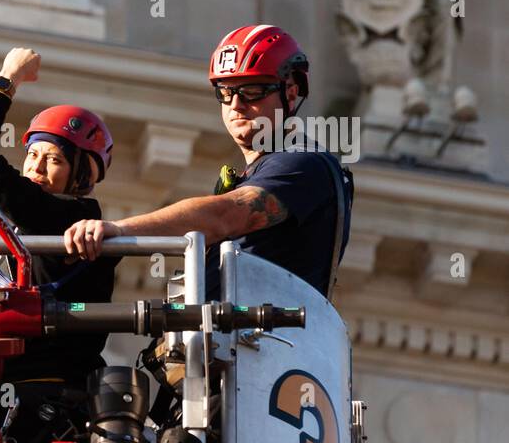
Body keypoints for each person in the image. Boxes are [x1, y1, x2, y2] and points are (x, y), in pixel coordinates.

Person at [62, 25, 353, 301]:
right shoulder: (255, 172)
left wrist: (121, 230)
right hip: (235, 345)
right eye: (226, 92)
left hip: (275, 345)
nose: (235, 105)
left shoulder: (304, 163)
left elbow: (227, 215)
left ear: (290, 93)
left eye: (251, 91)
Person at [0, 47, 119, 443]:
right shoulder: (36, 226)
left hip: (49, 405)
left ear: (80, 175)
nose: (36, 167)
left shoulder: (65, 219)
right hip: (27, 398)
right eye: (31, 154)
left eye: (54, 160)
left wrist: (6, 81)